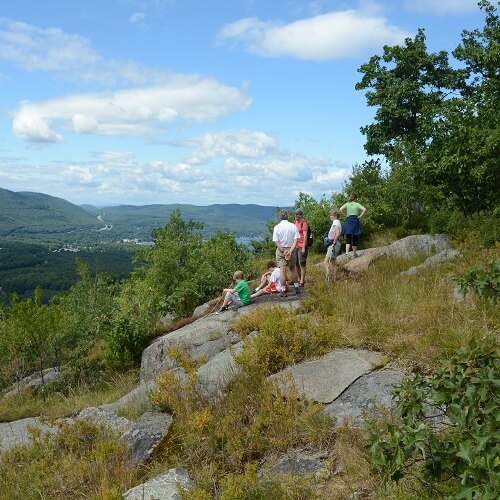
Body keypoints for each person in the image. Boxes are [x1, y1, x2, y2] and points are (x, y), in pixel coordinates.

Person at [272, 209, 301, 296]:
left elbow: (276, 241)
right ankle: (296, 287)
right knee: (293, 268)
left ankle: (283, 290)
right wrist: (290, 251)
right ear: (287, 216)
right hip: (291, 248)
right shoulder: (293, 226)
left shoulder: (277, 227)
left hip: (281, 250)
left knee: (282, 271)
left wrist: (283, 251)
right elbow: (296, 240)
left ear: (280, 217)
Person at [339, 193, 367, 258]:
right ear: (356, 198)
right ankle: (354, 254)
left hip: (348, 220)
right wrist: (360, 216)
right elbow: (364, 209)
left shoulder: (347, 204)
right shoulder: (357, 204)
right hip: (355, 220)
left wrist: (345, 215)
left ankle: (346, 254)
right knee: (355, 237)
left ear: (350, 198)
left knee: (348, 237)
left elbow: (340, 209)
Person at [324, 209, 342, 281]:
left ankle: (328, 277)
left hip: (334, 244)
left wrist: (333, 244)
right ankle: (334, 279)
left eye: (331, 215)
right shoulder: (337, 222)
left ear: (335, 215)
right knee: (334, 263)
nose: (330, 216)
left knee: (326, 261)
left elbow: (337, 234)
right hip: (336, 243)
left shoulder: (335, 223)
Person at [294, 209, 309, 287]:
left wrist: (303, 247)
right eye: (295, 214)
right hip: (295, 246)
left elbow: (305, 236)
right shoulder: (295, 222)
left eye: (297, 214)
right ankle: (299, 279)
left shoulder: (304, 223)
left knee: (302, 263)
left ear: (300, 215)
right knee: (296, 263)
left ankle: (302, 281)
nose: (295, 216)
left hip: (302, 246)